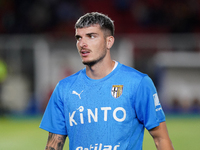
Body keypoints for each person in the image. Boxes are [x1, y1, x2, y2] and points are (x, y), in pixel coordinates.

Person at [40, 12, 174, 150]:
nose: (82, 44)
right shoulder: (64, 88)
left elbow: (161, 138)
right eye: (79, 38)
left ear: (109, 41)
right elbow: (53, 146)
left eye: (91, 36)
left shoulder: (138, 83)